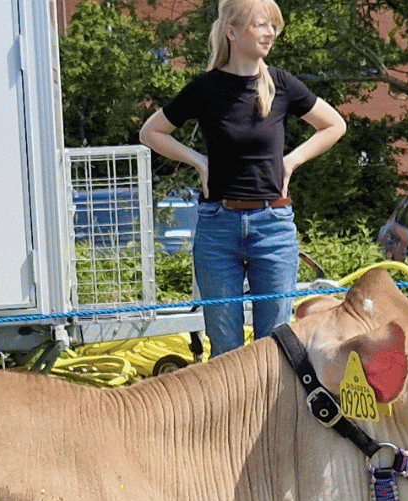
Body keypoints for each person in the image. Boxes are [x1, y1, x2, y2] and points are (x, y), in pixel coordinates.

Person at [137, 0, 344, 356]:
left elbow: (334, 124)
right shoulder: (205, 88)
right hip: (218, 228)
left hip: (274, 226)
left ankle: (271, 414)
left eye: (274, 26)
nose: (270, 33)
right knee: (225, 348)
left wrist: (291, 162)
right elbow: (151, 132)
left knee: (275, 347)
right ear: (232, 31)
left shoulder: (282, 84)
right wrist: (199, 162)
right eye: (261, 25)